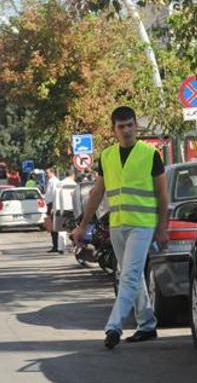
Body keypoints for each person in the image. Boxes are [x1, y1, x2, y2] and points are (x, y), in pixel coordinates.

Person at [71, 106, 169, 350]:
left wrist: (162, 228)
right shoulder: (107, 156)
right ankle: (147, 325)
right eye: (121, 126)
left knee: (129, 275)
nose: (126, 130)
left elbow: (163, 195)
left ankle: (113, 326)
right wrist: (83, 226)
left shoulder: (150, 154)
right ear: (114, 130)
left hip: (143, 224)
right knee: (131, 274)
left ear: (136, 125)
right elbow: (97, 193)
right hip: (118, 225)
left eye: (130, 125)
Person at [54, 169, 78, 254]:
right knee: (75, 228)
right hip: (72, 209)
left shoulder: (59, 184)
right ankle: (75, 246)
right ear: (73, 175)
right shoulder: (74, 184)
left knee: (62, 229)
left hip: (60, 208)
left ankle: (61, 248)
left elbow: (55, 196)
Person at [45, 168, 61, 253]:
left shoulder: (54, 181)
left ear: (52, 172)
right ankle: (55, 245)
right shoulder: (51, 181)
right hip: (50, 205)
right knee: (52, 227)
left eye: (47, 172)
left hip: (52, 205)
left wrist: (52, 207)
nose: (46, 174)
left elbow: (54, 195)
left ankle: (56, 246)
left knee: (54, 227)